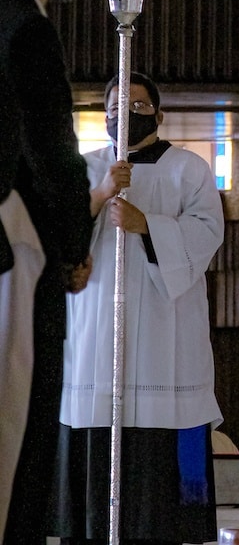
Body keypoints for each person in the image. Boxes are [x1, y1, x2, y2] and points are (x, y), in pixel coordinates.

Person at [52, 72, 224, 544]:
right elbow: (58, 238)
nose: (122, 112)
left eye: (137, 102)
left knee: (155, 504)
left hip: (163, 339)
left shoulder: (188, 170)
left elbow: (208, 234)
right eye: (113, 104)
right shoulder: (85, 169)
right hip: (94, 339)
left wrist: (147, 224)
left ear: (158, 114)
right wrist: (101, 194)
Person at [0, 0, 93, 544]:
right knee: (18, 418)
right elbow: (54, 153)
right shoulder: (26, 26)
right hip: (13, 242)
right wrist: (73, 250)